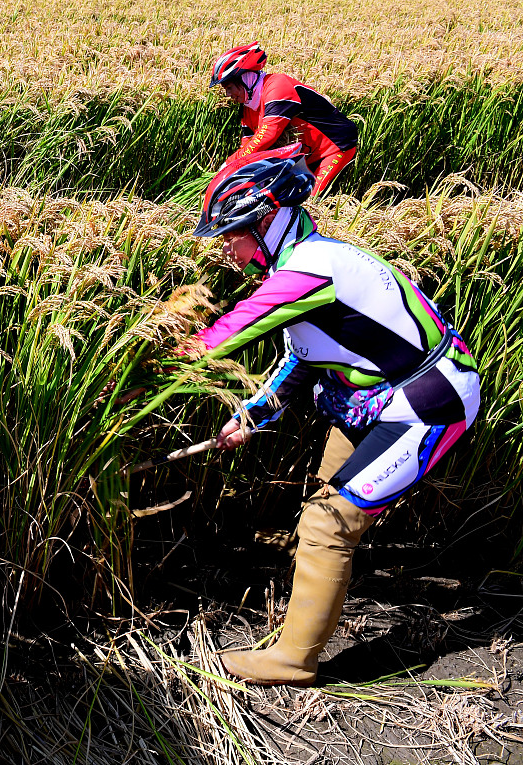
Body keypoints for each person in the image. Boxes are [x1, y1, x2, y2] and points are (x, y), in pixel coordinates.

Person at [183, 145, 480, 686]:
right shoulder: (309, 262)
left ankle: (294, 660)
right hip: (375, 398)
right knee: (324, 498)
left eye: (232, 234)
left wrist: (152, 357)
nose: (227, 250)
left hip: (429, 403)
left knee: (329, 521)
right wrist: (249, 417)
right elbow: (299, 360)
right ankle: (302, 621)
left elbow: (227, 333)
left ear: (268, 220)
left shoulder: (313, 269)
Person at [210, 43, 359, 195]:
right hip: (305, 156)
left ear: (244, 78)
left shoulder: (277, 86)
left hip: (334, 148)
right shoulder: (247, 107)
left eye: (229, 87)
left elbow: (267, 134)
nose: (228, 95)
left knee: (308, 201)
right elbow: (248, 145)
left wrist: (230, 163)